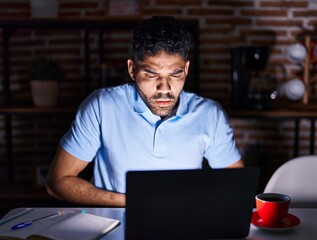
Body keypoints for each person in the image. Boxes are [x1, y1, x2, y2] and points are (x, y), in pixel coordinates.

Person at [46, 15, 244, 207]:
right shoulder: (101, 106)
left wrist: (192, 203)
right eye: (151, 75)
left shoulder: (210, 114)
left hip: (183, 225)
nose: (165, 88)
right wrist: (132, 202)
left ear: (186, 69)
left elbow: (238, 185)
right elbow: (57, 183)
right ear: (132, 69)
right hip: (116, 225)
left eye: (175, 74)